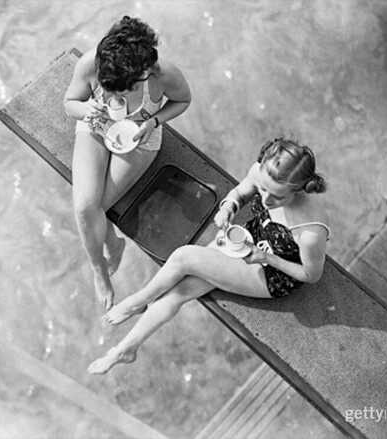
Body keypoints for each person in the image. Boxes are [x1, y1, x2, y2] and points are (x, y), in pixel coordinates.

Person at [88, 137, 330, 374]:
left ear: (299, 191)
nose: (266, 199)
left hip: (273, 272)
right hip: (251, 239)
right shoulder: (262, 172)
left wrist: (266, 258)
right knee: (180, 292)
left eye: (277, 197)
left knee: (183, 258)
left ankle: (136, 302)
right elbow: (240, 193)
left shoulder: (310, 231)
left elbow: (311, 275)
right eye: (263, 189)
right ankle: (125, 349)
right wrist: (228, 207)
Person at [63, 16, 192, 310]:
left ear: (142, 74)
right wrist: (86, 108)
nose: (113, 95)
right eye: (108, 88)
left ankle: (115, 245)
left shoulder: (163, 75)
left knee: (98, 207)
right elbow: (70, 103)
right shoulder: (90, 63)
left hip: (139, 138)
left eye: (120, 91)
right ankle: (99, 269)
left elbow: (183, 100)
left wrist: (154, 121)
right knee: (84, 207)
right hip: (96, 127)